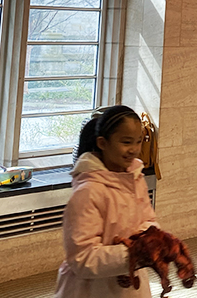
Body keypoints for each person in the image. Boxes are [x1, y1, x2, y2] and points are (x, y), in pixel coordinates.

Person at [55, 105, 159, 298]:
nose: (134, 150)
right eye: (126, 142)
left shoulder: (135, 179)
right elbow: (82, 257)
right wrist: (133, 254)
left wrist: (152, 240)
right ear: (102, 143)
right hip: (90, 290)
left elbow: (148, 220)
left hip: (132, 286)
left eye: (138, 142)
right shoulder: (88, 192)